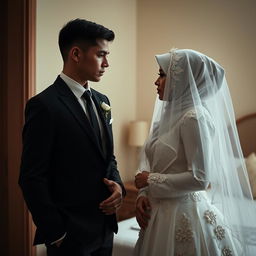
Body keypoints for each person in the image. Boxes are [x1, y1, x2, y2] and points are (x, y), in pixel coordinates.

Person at [134, 48, 256, 255]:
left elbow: (200, 179)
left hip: (183, 214)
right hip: (156, 216)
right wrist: (143, 195)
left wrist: (150, 181)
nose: (157, 81)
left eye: (163, 75)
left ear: (184, 80)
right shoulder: (164, 120)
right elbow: (150, 161)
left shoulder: (195, 118)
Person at [19, 18, 125, 256]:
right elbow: (31, 176)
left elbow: (108, 157)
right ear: (76, 54)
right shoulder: (44, 105)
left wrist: (118, 187)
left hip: (105, 230)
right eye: (101, 55)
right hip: (69, 236)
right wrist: (56, 233)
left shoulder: (102, 101)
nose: (107, 63)